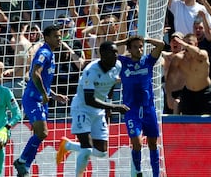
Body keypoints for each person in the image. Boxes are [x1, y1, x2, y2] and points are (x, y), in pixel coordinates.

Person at [55, 41, 129, 177]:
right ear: (103, 55)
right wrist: (114, 107)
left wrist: (108, 102)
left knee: (101, 152)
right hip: (82, 108)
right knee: (87, 149)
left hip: (98, 110)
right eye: (112, 53)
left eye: (116, 52)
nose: (116, 55)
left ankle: (68, 146)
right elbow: (90, 100)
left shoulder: (117, 66)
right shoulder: (91, 71)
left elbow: (111, 82)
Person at [13, 25, 68, 177]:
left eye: (60, 36)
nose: (59, 39)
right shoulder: (44, 52)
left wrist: (54, 95)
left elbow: (44, 79)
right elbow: (35, 74)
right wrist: (44, 94)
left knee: (40, 134)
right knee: (42, 132)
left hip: (41, 99)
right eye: (56, 36)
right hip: (33, 99)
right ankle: (22, 161)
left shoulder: (51, 53)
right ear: (47, 38)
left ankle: (24, 166)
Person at [115, 35, 165, 177]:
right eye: (136, 47)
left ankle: (156, 174)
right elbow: (106, 47)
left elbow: (161, 45)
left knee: (153, 144)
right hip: (131, 110)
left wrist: (146, 39)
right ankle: (138, 172)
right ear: (129, 49)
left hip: (148, 108)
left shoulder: (148, 61)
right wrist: (124, 41)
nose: (139, 49)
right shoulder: (123, 62)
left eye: (141, 46)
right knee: (137, 142)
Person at [166, 34, 211, 115]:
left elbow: (198, 53)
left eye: (189, 44)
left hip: (205, 93)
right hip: (188, 93)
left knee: (207, 123)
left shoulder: (203, 55)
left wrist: (185, 44)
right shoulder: (178, 58)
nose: (185, 47)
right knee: (187, 122)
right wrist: (169, 96)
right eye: (184, 43)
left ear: (196, 44)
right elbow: (169, 78)